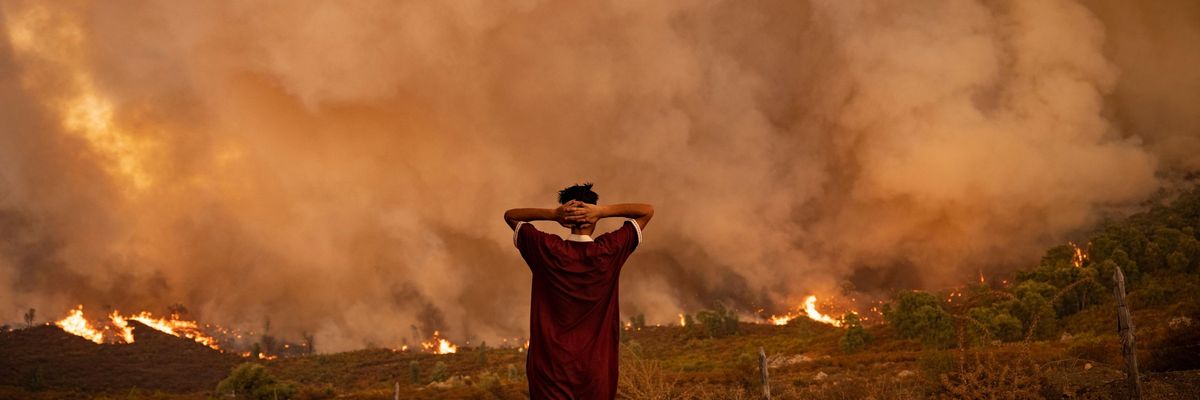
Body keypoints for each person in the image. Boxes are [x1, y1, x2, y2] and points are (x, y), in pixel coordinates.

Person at [504, 183, 654, 400]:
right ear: (592, 218)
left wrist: (553, 215)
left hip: (550, 370)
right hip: (596, 370)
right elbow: (647, 211)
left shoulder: (546, 248)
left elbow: (511, 216)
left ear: (566, 220)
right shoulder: (609, 251)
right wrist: (602, 212)